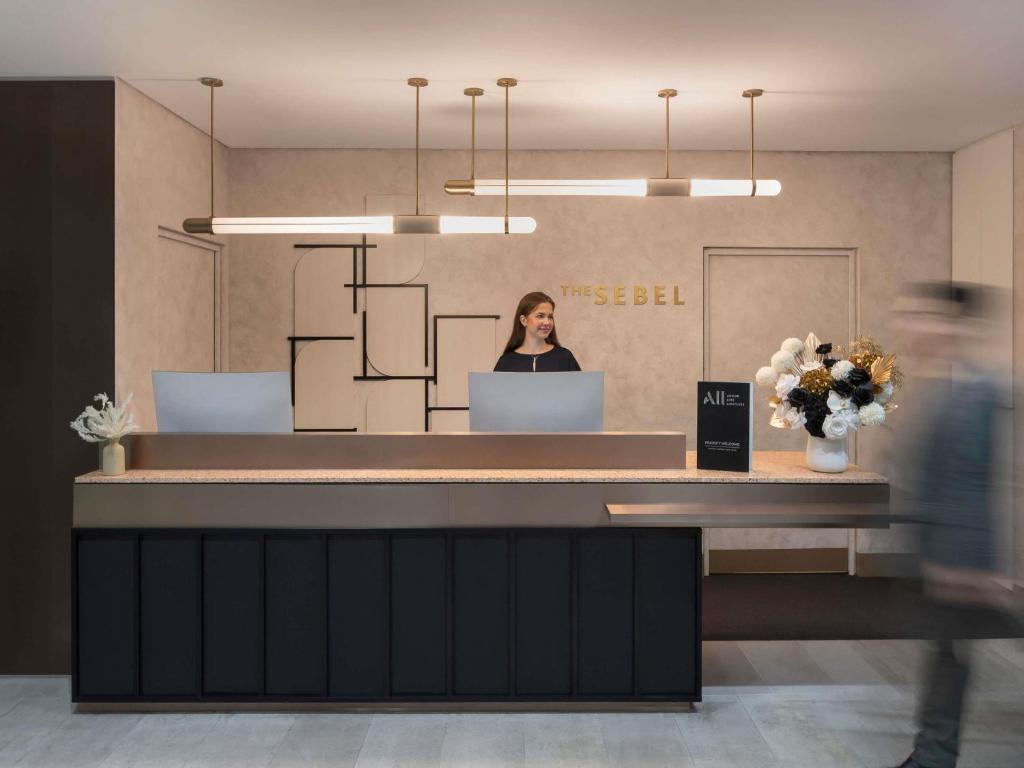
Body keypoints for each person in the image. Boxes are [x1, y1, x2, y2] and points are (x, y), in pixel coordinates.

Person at [888, 282, 1021, 768]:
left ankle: (933, 755)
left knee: (951, 657)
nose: (908, 325)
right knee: (948, 656)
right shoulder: (941, 388)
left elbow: (983, 484)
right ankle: (933, 754)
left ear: (954, 324)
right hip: (951, 561)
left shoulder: (980, 392)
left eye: (922, 314)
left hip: (971, 565)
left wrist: (981, 567)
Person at [494, 291, 581, 372]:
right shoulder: (506, 362)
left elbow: (581, 387)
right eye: (540, 316)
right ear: (524, 320)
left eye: (550, 317)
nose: (547, 322)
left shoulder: (564, 358)